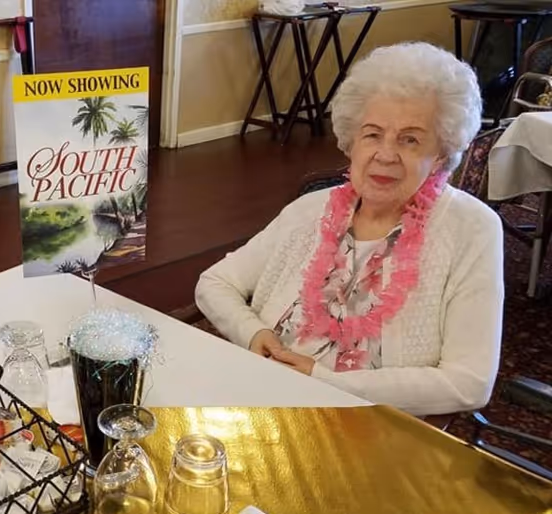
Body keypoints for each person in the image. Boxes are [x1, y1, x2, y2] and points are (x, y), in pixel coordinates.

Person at [195, 43, 503, 416]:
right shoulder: (312, 210)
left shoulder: (471, 229)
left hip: (372, 426)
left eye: (410, 139)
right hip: (264, 398)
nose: (385, 154)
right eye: (372, 134)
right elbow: (214, 283)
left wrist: (325, 382)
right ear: (351, 142)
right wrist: (254, 334)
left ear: (440, 154)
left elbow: (468, 383)